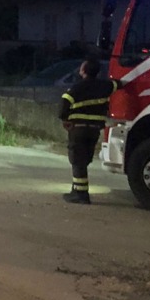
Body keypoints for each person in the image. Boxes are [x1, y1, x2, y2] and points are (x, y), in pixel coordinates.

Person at [57, 58, 118, 203]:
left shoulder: (76, 88)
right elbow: (119, 84)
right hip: (95, 130)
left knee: (78, 161)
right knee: (84, 160)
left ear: (83, 71)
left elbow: (62, 109)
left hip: (78, 129)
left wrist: (66, 120)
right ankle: (77, 189)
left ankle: (82, 194)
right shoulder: (106, 86)